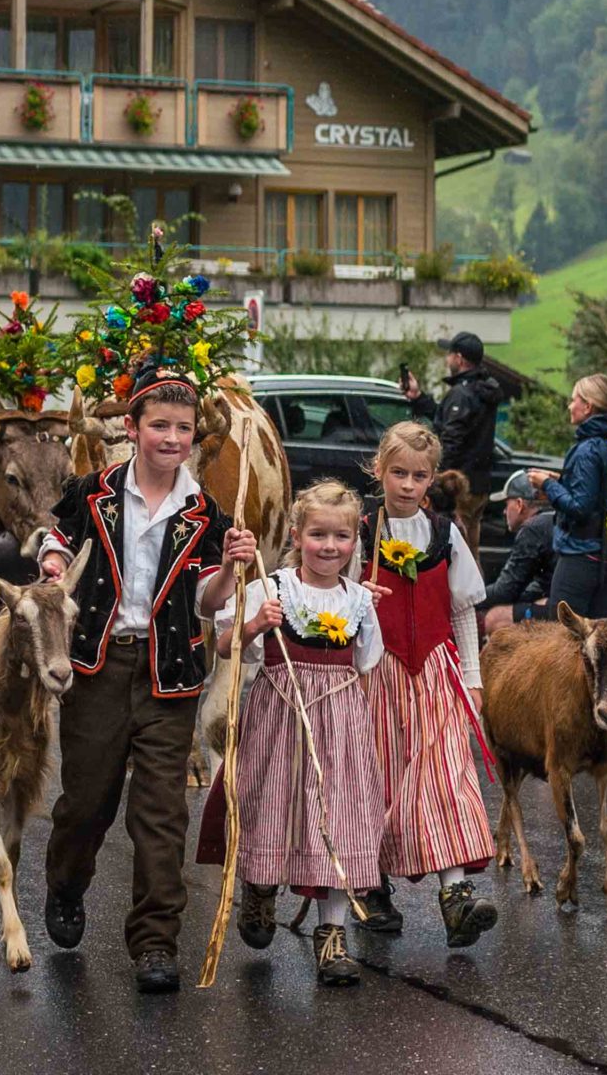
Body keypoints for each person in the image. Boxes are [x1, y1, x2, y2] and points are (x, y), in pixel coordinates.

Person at [35, 366, 258, 994]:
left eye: (183, 429)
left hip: (170, 673)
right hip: (99, 665)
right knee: (87, 802)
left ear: (194, 437)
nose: (171, 438)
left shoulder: (207, 513)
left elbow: (209, 602)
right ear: (131, 429)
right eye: (158, 425)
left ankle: (156, 941)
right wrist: (53, 562)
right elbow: (57, 541)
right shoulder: (93, 492)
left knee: (161, 815)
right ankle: (66, 884)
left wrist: (231, 569)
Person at [203, 478, 386, 988]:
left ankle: (332, 933)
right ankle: (260, 888)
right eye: (319, 535)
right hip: (279, 715)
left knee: (338, 817)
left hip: (340, 722)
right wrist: (254, 624)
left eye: (342, 537)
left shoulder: (359, 601)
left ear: (355, 541)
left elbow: (367, 660)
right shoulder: (272, 586)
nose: (330, 547)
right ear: (296, 534)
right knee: (271, 802)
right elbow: (222, 646)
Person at [356, 422, 496, 947]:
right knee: (380, 777)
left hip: (435, 670)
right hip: (376, 673)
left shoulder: (443, 532)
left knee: (445, 773)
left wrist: (473, 677)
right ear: (379, 471)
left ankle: (455, 895)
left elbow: (463, 612)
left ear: (431, 477)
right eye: (398, 473)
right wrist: (355, 597)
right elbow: (332, 599)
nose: (408, 485)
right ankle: (372, 885)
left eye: (418, 475)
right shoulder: (362, 531)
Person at [527, 374, 607, 619]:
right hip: (606, 553)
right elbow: (598, 495)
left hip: (581, 555)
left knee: (563, 633)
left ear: (588, 406)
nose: (569, 405)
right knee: (599, 634)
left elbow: (581, 507)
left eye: (574, 400)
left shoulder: (589, 447)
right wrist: (561, 482)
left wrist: (547, 485)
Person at [401, 331, 502, 552]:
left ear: (459, 358)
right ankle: (476, 587)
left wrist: (434, 480)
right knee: (470, 550)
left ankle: (462, 588)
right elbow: (449, 420)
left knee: (455, 553)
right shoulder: (482, 390)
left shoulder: (461, 394)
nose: (447, 360)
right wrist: (419, 398)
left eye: (449, 355)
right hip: (479, 483)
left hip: (458, 487)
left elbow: (451, 440)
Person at [479, 469, 555, 635]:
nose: (505, 511)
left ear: (520, 505)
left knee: (494, 617)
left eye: (507, 504)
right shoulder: (550, 520)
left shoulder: (533, 529)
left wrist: (469, 599)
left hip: (560, 607)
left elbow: (504, 591)